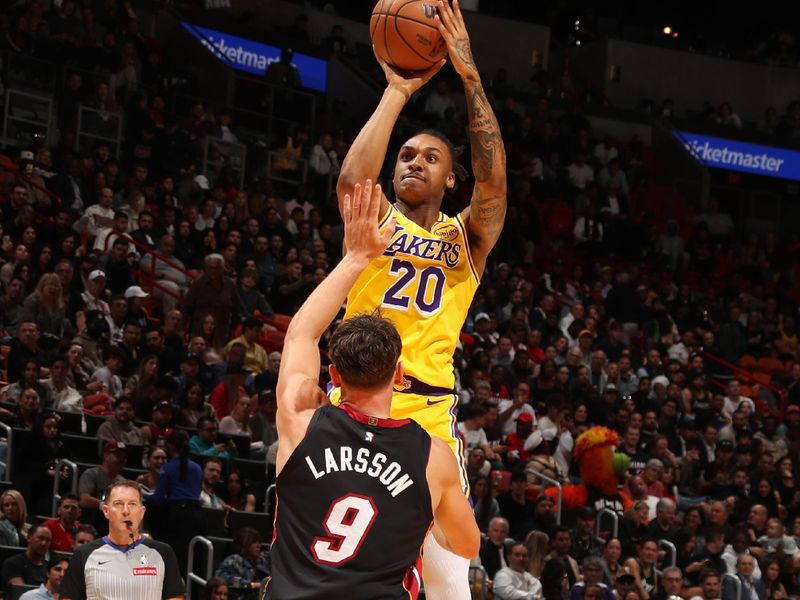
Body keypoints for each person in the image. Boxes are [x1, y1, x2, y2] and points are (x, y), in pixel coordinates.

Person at [334, 2, 506, 596]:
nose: (413, 162)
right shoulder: (373, 220)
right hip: (353, 399)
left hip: (428, 410)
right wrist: (396, 92)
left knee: (450, 573)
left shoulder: (468, 238)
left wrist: (470, 77)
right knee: (339, 560)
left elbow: (495, 183)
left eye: (430, 158)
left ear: (450, 180)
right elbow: (354, 181)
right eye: (407, 155)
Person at [265, 180, 479, 598]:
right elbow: (466, 545)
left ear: (335, 376)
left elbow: (300, 335)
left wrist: (357, 257)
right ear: (399, 374)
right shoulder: (432, 457)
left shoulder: (300, 421)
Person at [59, 480, 184, 600]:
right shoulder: (84, 554)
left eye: (132, 504)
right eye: (118, 504)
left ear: (141, 512)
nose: (126, 511)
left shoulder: (162, 553)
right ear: (106, 511)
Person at [144, 430, 203, 575]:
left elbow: (158, 498)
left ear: (170, 447)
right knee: (194, 558)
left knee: (177, 556)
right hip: (198, 515)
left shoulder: (168, 468)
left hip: (179, 516)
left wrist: (142, 493)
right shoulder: (196, 468)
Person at [214, 527, 270, 596]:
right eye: (254, 542)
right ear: (245, 543)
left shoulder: (262, 560)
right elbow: (221, 578)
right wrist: (249, 585)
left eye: (259, 542)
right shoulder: (234, 560)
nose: (258, 545)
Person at [1, 524, 52, 593]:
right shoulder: (13, 563)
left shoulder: (49, 568)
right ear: (28, 537)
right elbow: (21, 594)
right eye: (40, 538)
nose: (44, 543)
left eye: (48, 540)